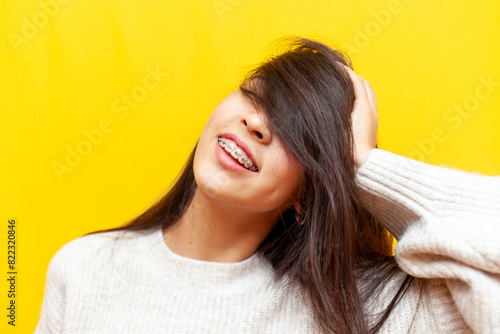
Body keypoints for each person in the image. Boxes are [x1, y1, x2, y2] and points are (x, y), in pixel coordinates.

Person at [34, 37, 500, 334]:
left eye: (295, 134)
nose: (257, 122)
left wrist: (364, 166)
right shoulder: (84, 271)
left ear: (306, 193)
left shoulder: (362, 309)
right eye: (254, 96)